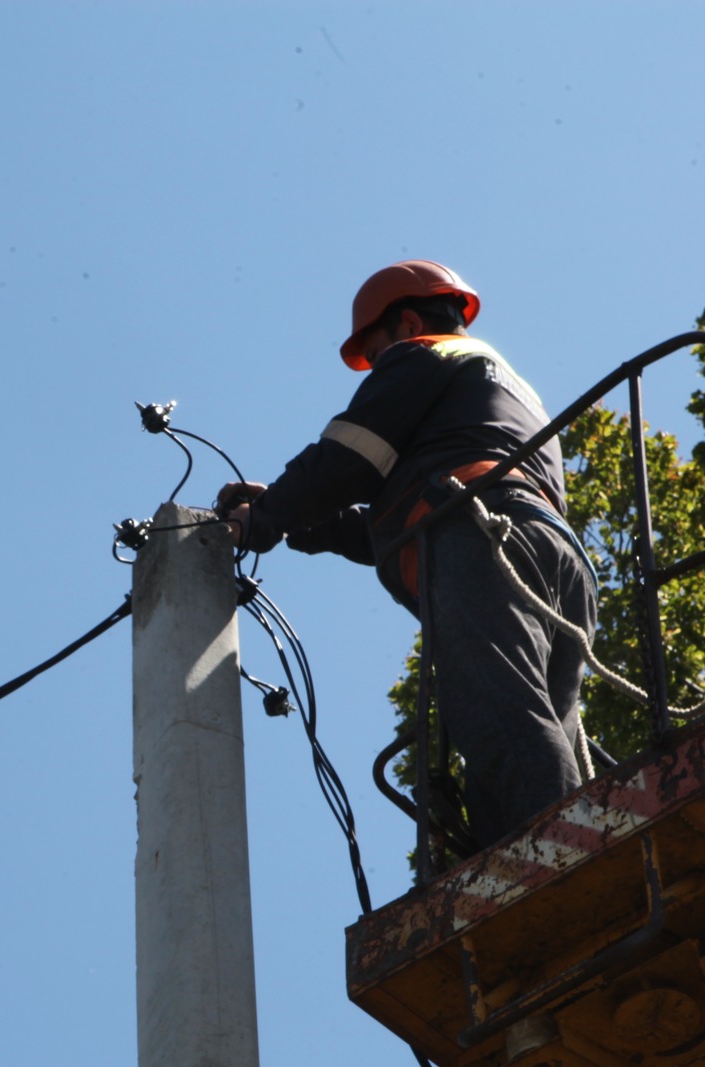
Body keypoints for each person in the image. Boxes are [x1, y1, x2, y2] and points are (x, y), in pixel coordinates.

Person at [217, 260, 597, 850]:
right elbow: (401, 513)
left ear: (410, 320)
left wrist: (262, 521)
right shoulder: (505, 386)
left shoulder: (424, 353)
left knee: (502, 722)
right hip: (551, 556)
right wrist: (305, 522)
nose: (376, 365)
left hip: (479, 540)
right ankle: (544, 862)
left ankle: (564, 868)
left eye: (376, 350)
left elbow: (352, 456)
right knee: (534, 727)